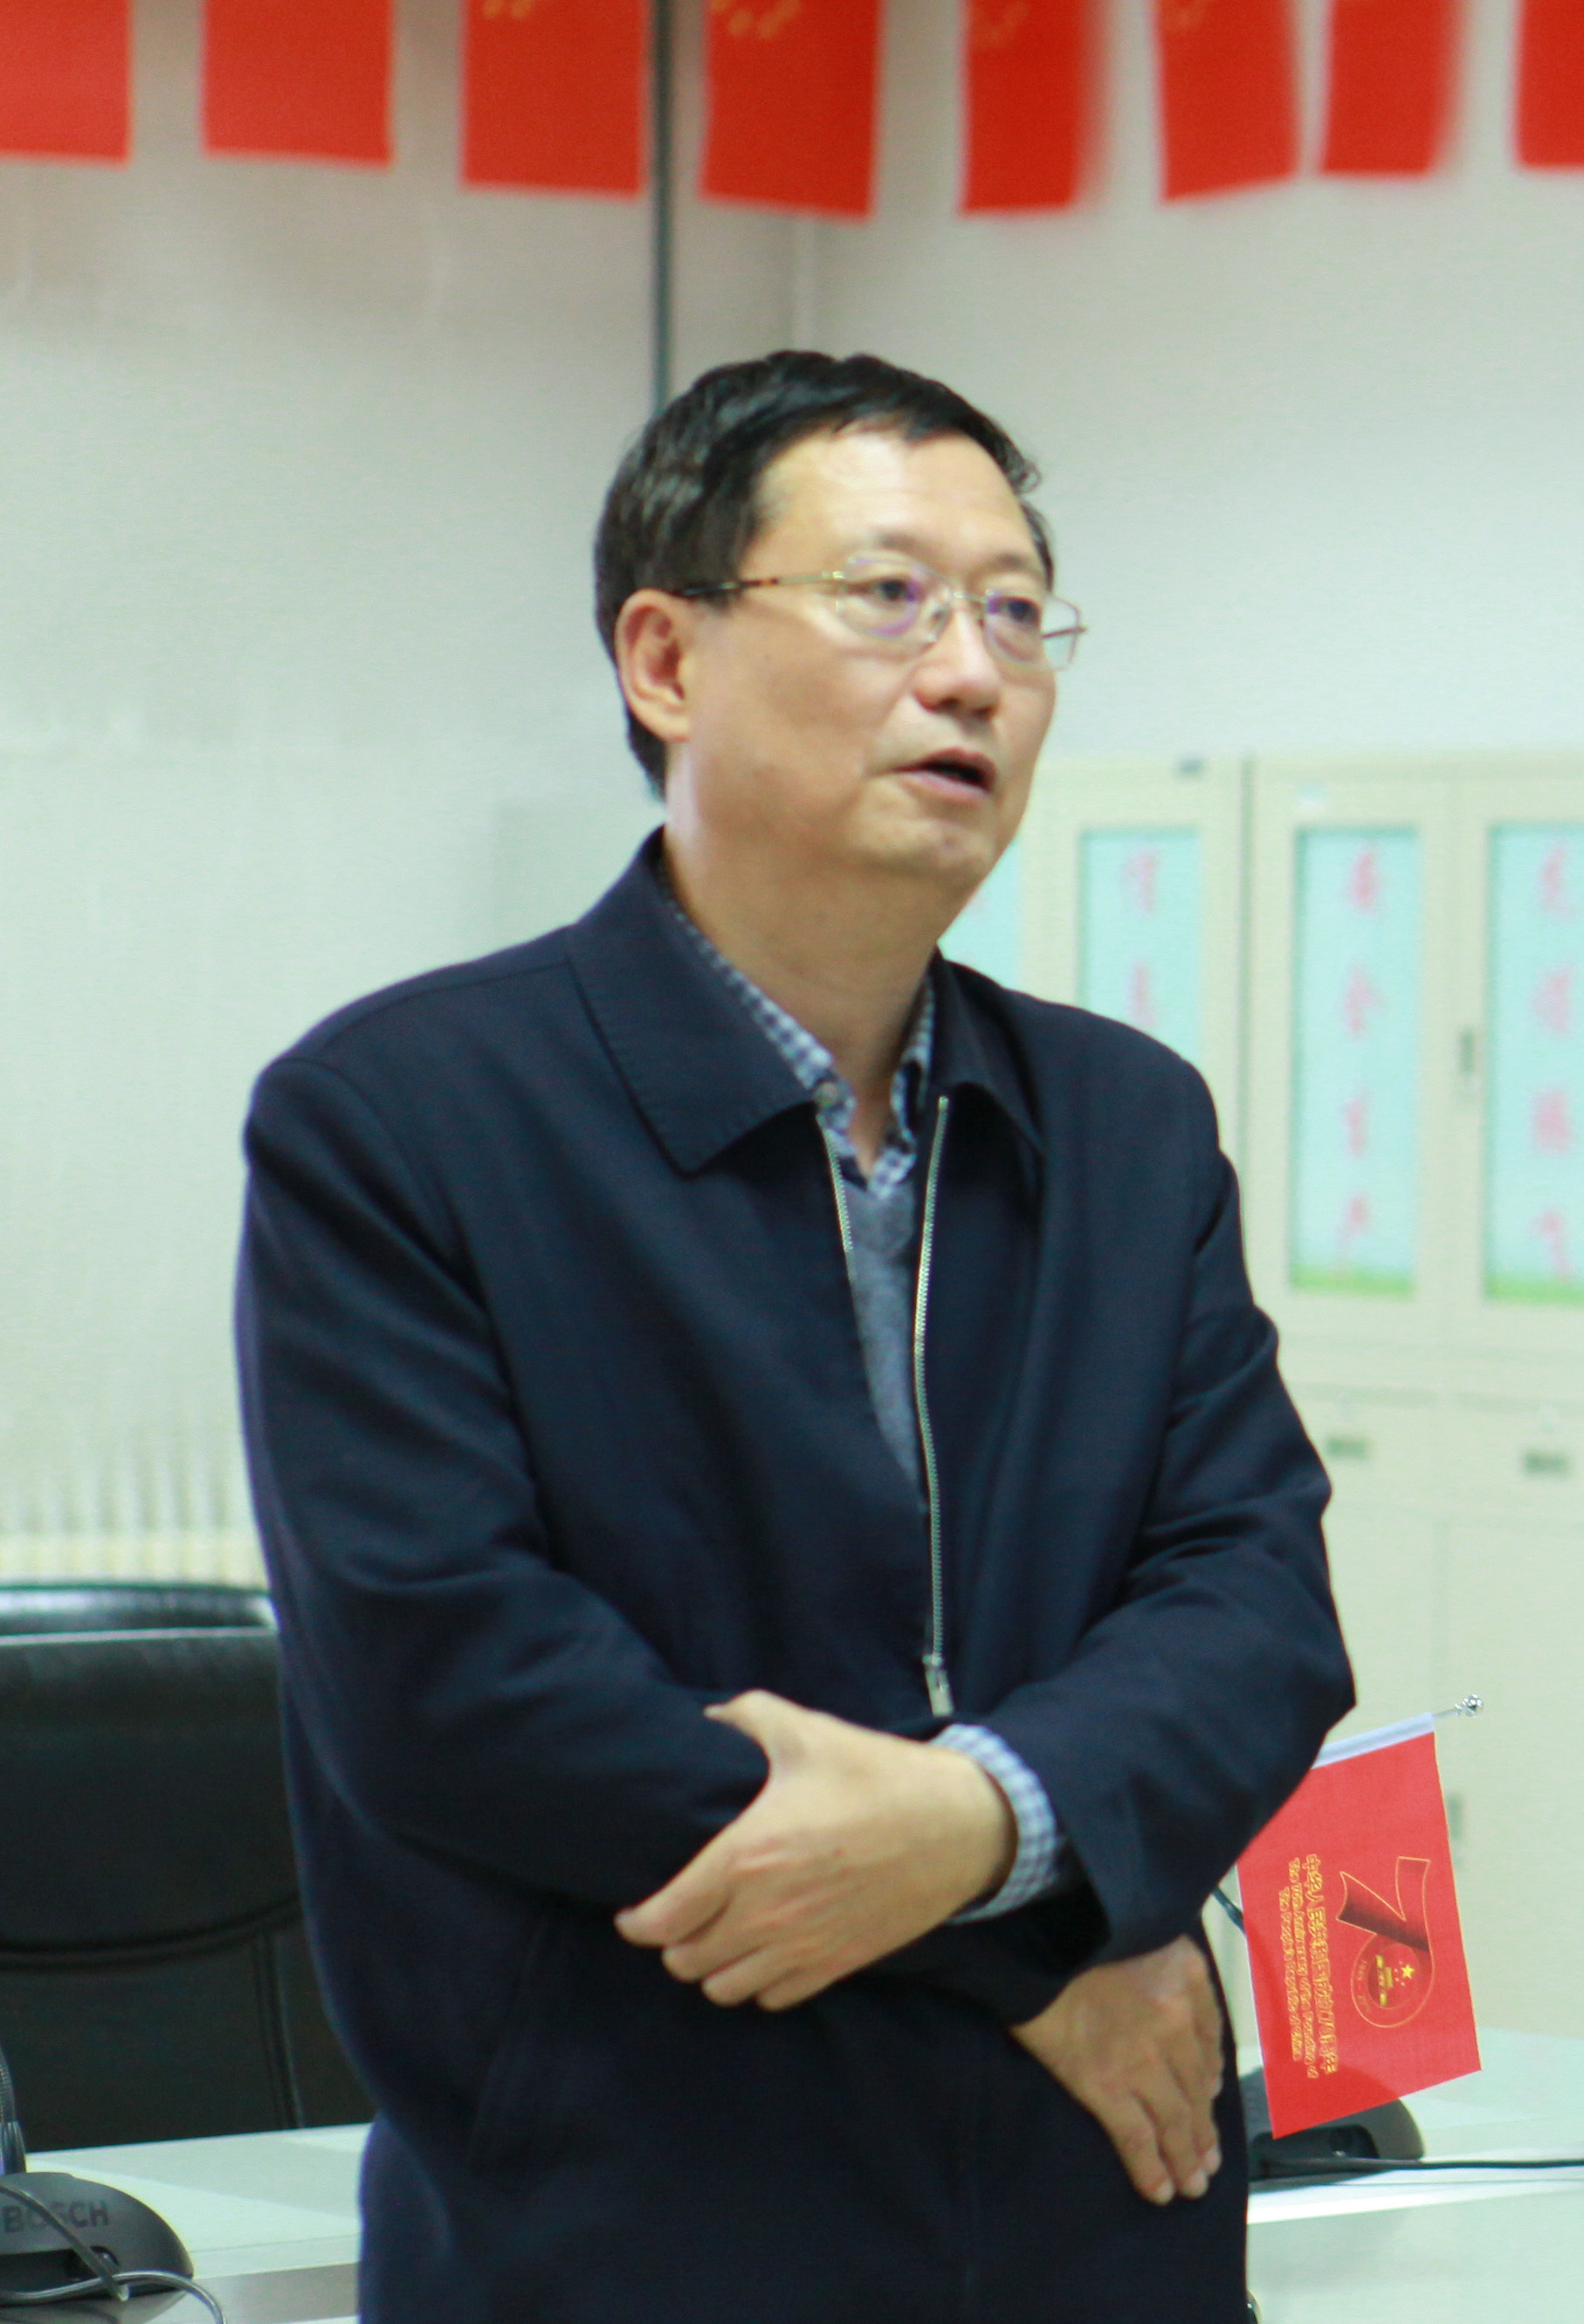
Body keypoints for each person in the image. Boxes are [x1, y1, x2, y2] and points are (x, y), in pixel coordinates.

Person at [237, 351, 1351, 2322]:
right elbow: (454, 1673)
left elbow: (1252, 1604)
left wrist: (975, 1823)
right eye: (892, 597)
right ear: (666, 658)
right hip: (631, 2224)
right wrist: (1027, 1941)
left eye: (1018, 611)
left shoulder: (1125, 1124)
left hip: (1097, 2224)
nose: (973, 672)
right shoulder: (404, 1116)